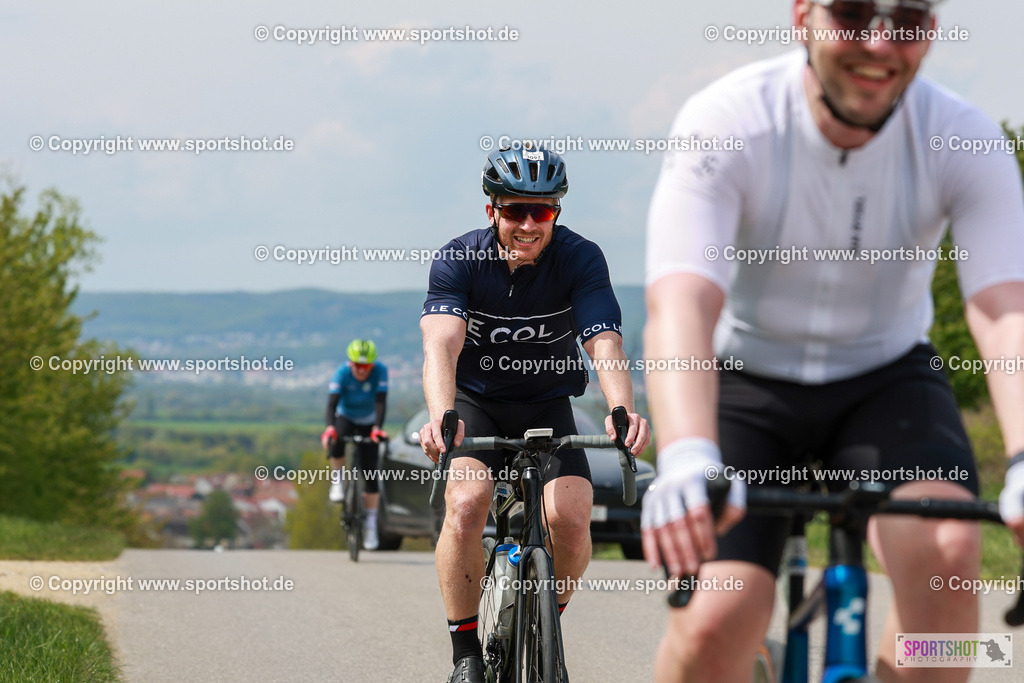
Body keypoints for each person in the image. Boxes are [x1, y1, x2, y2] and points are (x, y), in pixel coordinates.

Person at [642, 1, 1024, 681]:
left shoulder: (962, 135)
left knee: (949, 544)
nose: (879, 42)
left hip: (885, 376)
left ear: (930, 33)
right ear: (802, 17)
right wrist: (688, 452)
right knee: (713, 619)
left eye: (905, 20)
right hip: (746, 376)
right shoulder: (729, 119)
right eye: (851, 13)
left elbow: (1003, 310)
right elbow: (682, 301)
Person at [420, 145, 651, 683]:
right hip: (476, 404)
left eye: (542, 211)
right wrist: (443, 415)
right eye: (515, 210)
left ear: (557, 214)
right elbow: (441, 347)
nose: (528, 223)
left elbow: (605, 342)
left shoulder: (581, 258)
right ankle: (465, 654)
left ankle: (549, 623)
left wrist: (622, 410)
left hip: (547, 406)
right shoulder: (459, 258)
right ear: (491, 211)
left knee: (570, 521)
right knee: (468, 503)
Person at [321, 339, 389, 551]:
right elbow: (332, 403)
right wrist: (329, 427)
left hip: (368, 420)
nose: (361, 371)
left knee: (370, 474)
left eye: (366, 366)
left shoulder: (381, 371)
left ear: (372, 364)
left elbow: (380, 401)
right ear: (350, 364)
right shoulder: (341, 372)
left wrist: (377, 427)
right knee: (337, 438)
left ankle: (370, 525)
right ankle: (338, 480)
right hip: (346, 416)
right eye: (357, 366)